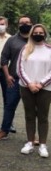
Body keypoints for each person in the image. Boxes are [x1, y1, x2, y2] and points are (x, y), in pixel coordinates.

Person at [0, 16, 32, 141]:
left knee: (31, 109)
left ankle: (33, 135)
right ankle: (4, 130)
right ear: (18, 25)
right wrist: (7, 75)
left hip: (31, 81)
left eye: (27, 22)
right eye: (22, 23)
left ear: (31, 24)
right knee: (9, 105)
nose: (24, 24)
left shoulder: (36, 40)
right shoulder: (12, 40)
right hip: (14, 79)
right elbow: (4, 59)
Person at [18, 24, 51, 158]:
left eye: (41, 32)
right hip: (27, 87)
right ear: (31, 34)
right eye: (35, 32)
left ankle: (42, 144)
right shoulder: (25, 49)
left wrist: (41, 83)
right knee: (29, 115)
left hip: (46, 88)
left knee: (43, 116)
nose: (38, 34)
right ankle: (30, 142)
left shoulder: (49, 49)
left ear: (45, 34)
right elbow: (19, 69)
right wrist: (30, 84)